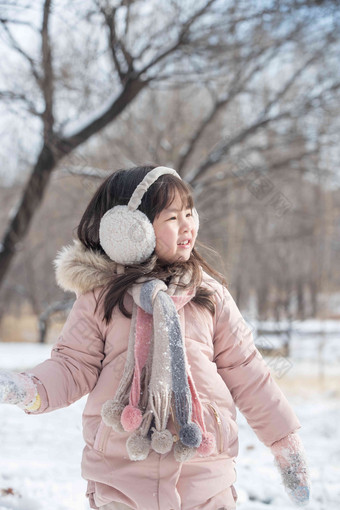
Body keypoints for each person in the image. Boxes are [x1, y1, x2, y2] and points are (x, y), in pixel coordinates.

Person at [0, 166, 310, 510]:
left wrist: (284, 441)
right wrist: (29, 389)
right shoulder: (102, 298)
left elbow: (248, 373)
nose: (188, 225)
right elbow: (73, 365)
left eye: (190, 212)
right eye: (173, 217)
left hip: (204, 471)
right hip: (121, 475)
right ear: (131, 230)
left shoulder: (210, 295)